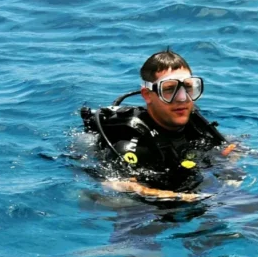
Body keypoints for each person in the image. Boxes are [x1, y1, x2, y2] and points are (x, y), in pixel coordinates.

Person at [80, 49, 232, 201]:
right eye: (169, 89)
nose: (182, 98)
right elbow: (112, 186)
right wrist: (168, 196)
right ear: (147, 95)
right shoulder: (131, 145)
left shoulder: (196, 124)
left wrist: (230, 161)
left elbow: (227, 149)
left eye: (188, 87)